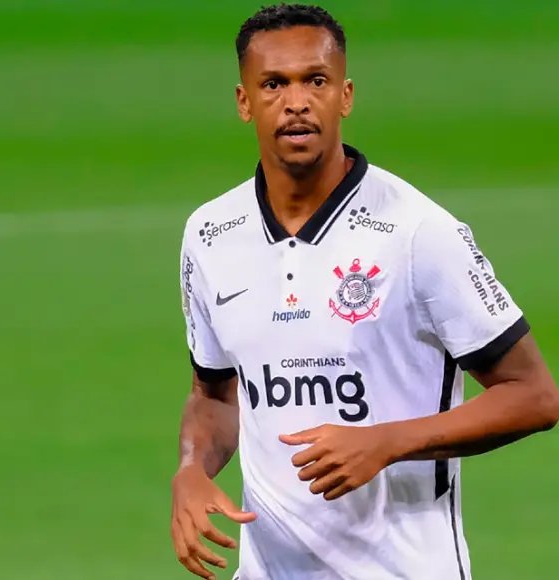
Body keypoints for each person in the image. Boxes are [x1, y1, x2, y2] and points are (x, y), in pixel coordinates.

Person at [171, 4, 559, 579]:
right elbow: (214, 394)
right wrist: (191, 469)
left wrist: (387, 442)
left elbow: (534, 396)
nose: (296, 102)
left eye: (316, 80)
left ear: (345, 96)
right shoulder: (210, 234)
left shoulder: (417, 232)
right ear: (244, 101)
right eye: (274, 84)